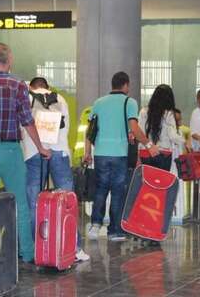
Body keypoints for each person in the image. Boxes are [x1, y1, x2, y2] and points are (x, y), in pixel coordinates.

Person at [0, 43, 51, 263]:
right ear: (10, 60)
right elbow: (27, 120)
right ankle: (26, 253)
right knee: (20, 203)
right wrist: (40, 147)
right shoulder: (18, 85)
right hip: (10, 149)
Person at [83, 72, 158, 242]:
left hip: (101, 153)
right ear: (126, 85)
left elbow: (90, 131)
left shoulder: (98, 103)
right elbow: (134, 127)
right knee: (118, 191)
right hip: (119, 154)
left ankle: (95, 224)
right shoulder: (129, 102)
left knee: (101, 189)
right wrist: (148, 144)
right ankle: (115, 231)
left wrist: (87, 153)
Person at [22, 77, 90, 262]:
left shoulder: (26, 98)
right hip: (59, 152)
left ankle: (36, 248)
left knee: (33, 202)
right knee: (67, 199)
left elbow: (23, 126)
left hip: (33, 152)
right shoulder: (59, 99)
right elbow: (65, 128)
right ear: (47, 87)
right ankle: (74, 247)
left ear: (31, 87)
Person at [139, 84, 185, 168]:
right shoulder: (168, 114)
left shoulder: (143, 111)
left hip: (146, 152)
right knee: (161, 180)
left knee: (148, 180)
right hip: (163, 154)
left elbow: (140, 132)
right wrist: (182, 139)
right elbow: (173, 136)